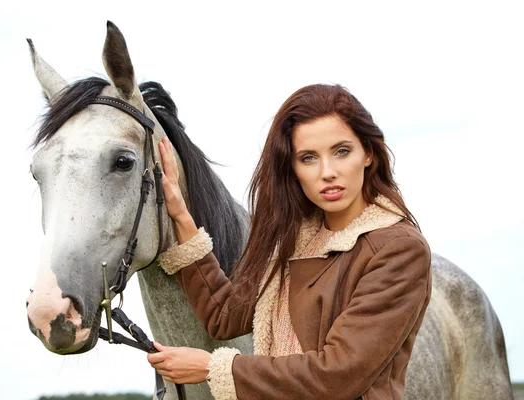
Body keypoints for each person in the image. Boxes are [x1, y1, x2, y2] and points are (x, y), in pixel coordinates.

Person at [147, 84, 432, 400]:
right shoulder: (291, 242)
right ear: (292, 168)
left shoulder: (399, 249)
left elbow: (338, 375)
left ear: (367, 153)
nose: (328, 172)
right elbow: (222, 316)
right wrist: (181, 215)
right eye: (308, 158)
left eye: (341, 151)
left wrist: (214, 369)